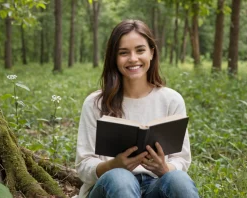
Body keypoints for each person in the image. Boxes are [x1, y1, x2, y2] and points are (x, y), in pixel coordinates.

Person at [75, 19, 199, 198]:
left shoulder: (172, 100)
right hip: (110, 187)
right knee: (121, 178)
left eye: (140, 50)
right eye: (124, 53)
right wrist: (113, 166)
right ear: (114, 58)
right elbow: (83, 166)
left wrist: (164, 168)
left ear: (151, 53)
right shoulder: (95, 103)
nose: (133, 59)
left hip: (156, 185)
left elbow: (181, 159)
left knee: (179, 179)